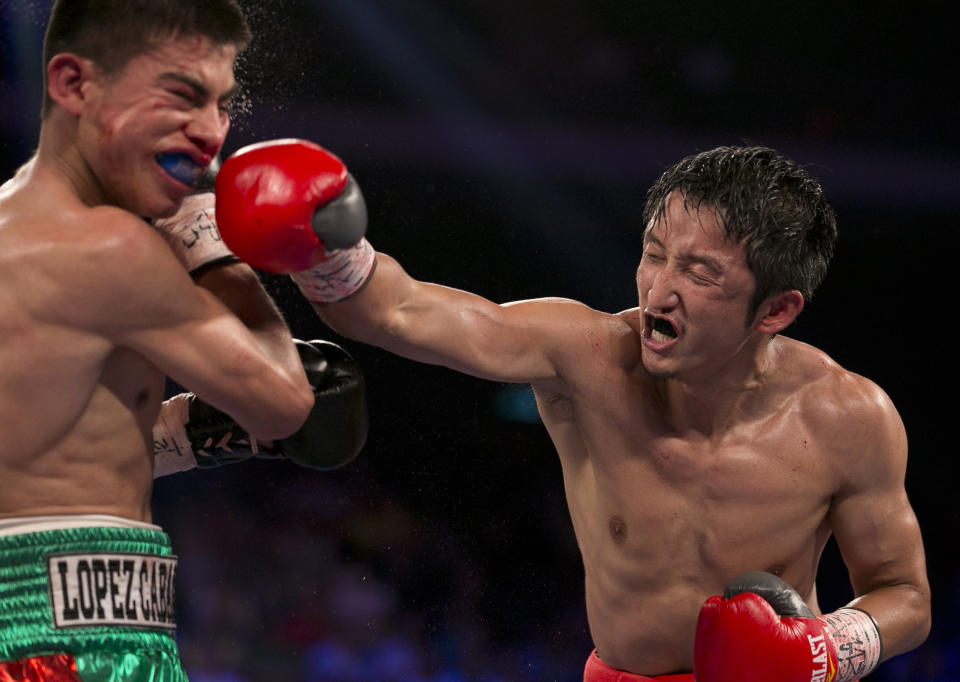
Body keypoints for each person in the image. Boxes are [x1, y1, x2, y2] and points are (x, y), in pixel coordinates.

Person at [213, 139, 931, 681]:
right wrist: (323, 247)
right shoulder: (585, 355)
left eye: (700, 272)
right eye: (655, 255)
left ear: (776, 309)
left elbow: (904, 594)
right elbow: (400, 312)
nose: (660, 289)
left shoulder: (846, 417)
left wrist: (823, 652)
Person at [0, 2, 365, 679]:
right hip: (73, 643)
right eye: (182, 95)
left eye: (222, 104)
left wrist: (191, 433)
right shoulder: (110, 248)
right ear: (74, 84)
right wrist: (208, 230)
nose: (211, 134)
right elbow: (287, 401)